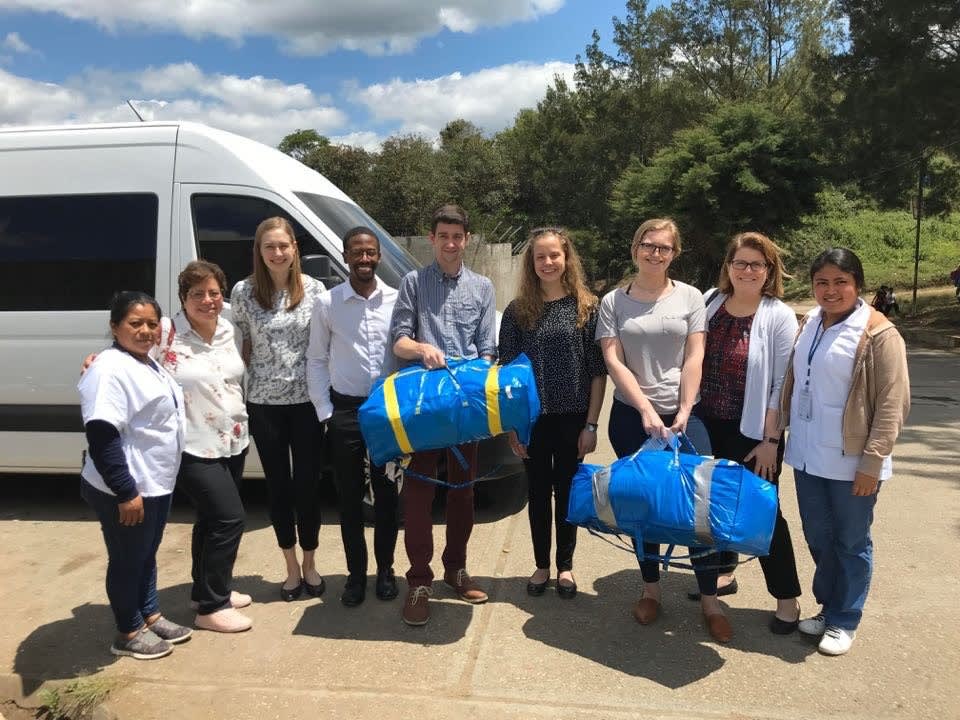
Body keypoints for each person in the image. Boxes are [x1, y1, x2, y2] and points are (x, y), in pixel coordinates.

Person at [596, 218, 731, 643]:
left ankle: (710, 599)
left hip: (685, 414)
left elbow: (695, 356)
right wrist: (646, 410)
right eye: (648, 245)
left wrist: (685, 408)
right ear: (635, 247)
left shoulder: (690, 296)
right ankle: (651, 588)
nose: (655, 254)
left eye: (664, 248)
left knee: (700, 506)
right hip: (632, 417)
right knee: (646, 505)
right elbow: (614, 361)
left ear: (674, 253)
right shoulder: (613, 301)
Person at [781, 247, 910, 656]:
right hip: (806, 455)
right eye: (822, 282)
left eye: (841, 282)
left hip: (853, 460)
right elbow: (793, 379)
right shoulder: (809, 324)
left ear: (858, 285)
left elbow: (893, 403)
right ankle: (828, 606)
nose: (830, 290)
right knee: (818, 536)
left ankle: (845, 618)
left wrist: (872, 462)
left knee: (851, 540)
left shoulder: (878, 333)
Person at [389, 203, 497, 626]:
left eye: (458, 236)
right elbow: (399, 341)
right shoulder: (413, 282)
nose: (451, 244)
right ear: (432, 239)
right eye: (443, 236)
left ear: (467, 239)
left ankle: (456, 569)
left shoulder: (483, 287)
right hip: (423, 404)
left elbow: (487, 348)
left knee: (463, 492)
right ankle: (419, 580)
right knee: (418, 494)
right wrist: (420, 349)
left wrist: (480, 374)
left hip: (465, 405)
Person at [692, 232, 802, 634]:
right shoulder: (711, 302)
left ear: (769, 270)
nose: (748, 270)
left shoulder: (777, 315)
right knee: (712, 506)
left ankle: (787, 599)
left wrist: (772, 441)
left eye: (757, 264)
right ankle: (722, 574)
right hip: (707, 424)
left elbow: (781, 384)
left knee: (765, 513)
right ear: (729, 267)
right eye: (740, 263)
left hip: (755, 432)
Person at [79, 291, 190, 659]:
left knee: (146, 553)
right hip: (126, 487)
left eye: (152, 324)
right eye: (135, 323)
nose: (145, 330)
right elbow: (102, 435)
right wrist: (125, 491)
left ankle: (150, 614)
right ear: (114, 327)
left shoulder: (143, 360)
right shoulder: (109, 368)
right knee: (128, 558)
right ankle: (127, 631)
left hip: (154, 482)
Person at [498, 227, 606, 600]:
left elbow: (597, 372)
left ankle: (565, 566)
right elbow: (508, 376)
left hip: (573, 417)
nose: (547, 262)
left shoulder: (587, 307)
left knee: (567, 493)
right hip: (532, 421)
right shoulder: (517, 311)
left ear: (567, 259)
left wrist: (591, 425)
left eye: (554, 255)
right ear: (531, 262)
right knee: (539, 494)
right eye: (540, 256)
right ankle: (541, 565)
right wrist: (513, 428)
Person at [231, 217, 326, 602]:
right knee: (279, 488)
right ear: (259, 251)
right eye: (268, 247)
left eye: (283, 245)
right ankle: (289, 567)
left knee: (308, 486)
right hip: (264, 405)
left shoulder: (317, 291)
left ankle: (310, 563)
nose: (277, 253)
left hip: (306, 403)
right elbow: (235, 343)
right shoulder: (244, 292)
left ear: (294, 249)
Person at [306, 227, 400, 607]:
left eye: (371, 252)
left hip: (387, 413)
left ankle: (387, 571)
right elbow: (315, 359)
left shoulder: (396, 300)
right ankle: (356, 577)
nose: (364, 259)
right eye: (357, 253)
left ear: (378, 256)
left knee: (388, 497)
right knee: (347, 500)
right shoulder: (328, 304)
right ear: (345, 256)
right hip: (344, 410)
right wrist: (325, 412)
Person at [157, 261, 252, 632]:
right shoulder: (167, 334)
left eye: (214, 293)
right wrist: (95, 360)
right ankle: (212, 608)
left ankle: (207, 589)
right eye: (197, 294)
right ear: (183, 299)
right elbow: (128, 356)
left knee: (210, 519)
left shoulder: (229, 330)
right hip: (191, 443)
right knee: (230, 518)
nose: (208, 300)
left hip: (233, 440)